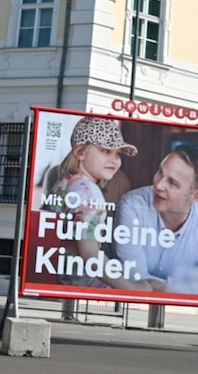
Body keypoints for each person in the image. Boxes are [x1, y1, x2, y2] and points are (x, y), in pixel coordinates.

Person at [42, 117, 151, 290]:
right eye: (106, 151)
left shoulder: (64, 182)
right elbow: (91, 255)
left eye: (118, 154)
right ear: (80, 152)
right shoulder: (90, 193)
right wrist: (131, 288)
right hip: (84, 287)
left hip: (59, 281)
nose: (114, 160)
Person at [114, 145, 198, 294]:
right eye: (160, 172)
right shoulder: (133, 205)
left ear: (196, 196)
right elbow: (135, 280)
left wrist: (166, 287)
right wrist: (190, 287)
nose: (159, 185)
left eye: (172, 183)